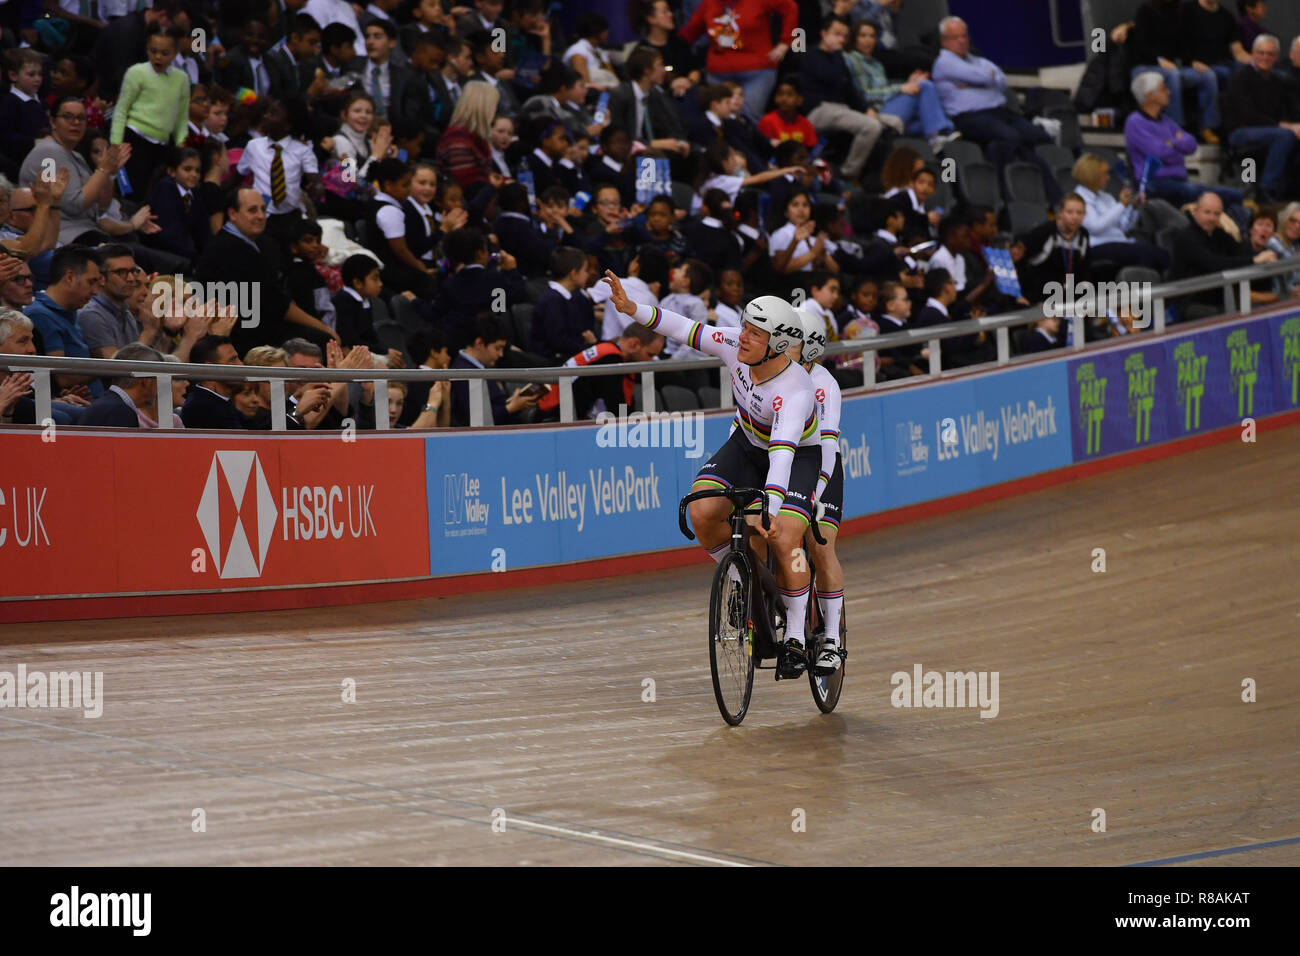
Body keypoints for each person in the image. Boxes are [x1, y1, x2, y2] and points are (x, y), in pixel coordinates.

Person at [602, 270, 822, 674]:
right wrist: (635, 309)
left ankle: (794, 634)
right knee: (701, 512)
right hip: (746, 444)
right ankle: (741, 577)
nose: (743, 337)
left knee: (784, 537)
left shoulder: (796, 389)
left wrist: (771, 505)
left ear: (775, 346)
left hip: (795, 458)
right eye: (745, 328)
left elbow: (782, 455)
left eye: (755, 334)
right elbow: (686, 328)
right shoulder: (733, 347)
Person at [193, 187, 338, 354]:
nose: (261, 216)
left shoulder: (257, 244)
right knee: (324, 341)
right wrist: (325, 330)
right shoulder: (228, 248)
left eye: (263, 209)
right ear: (233, 214)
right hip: (243, 336)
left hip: (258, 326)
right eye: (252, 210)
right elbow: (278, 305)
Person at [931, 16, 1060, 203]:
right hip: (970, 118)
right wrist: (985, 80)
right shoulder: (944, 63)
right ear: (944, 41)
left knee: (1038, 136)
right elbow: (986, 78)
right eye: (955, 37)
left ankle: (1053, 198)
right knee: (1011, 137)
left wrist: (979, 81)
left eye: (964, 36)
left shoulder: (978, 61)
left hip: (1000, 112)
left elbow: (1000, 80)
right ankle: (1005, 194)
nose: (961, 41)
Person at [792, 307, 845, 674]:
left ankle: (831, 639)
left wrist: (819, 492)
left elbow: (826, 446)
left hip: (821, 466)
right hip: (781, 461)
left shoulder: (824, 385)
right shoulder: (772, 372)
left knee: (819, 543)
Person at [1124, 71, 1246, 221]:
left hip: (1179, 180)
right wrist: (1176, 144)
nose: (1169, 92)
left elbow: (1191, 144)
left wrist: (1172, 143)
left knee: (1235, 196)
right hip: (1155, 184)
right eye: (1163, 89)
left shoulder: (1166, 120)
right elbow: (1158, 153)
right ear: (1150, 95)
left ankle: (1234, 236)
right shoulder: (1135, 122)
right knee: (1225, 195)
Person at [846, 18, 959, 155]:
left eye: (872, 36)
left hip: (889, 105)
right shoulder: (852, 59)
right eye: (863, 36)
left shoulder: (876, 64)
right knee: (924, 86)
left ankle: (939, 138)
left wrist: (907, 83)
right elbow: (865, 94)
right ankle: (939, 135)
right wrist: (902, 88)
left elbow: (884, 88)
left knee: (924, 113)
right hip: (875, 111)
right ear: (854, 38)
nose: (868, 40)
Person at [680, 0, 799, 123]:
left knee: (748, 117)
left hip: (757, 72)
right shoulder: (709, 3)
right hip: (719, 73)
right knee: (719, 119)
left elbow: (790, 7)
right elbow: (689, 33)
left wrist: (786, 42)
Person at [110, 24, 192, 199]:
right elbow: (121, 109)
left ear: (175, 52)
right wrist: (116, 143)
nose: (158, 57)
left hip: (163, 144)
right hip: (135, 139)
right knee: (133, 193)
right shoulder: (136, 73)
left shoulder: (182, 79)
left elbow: (181, 117)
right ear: (147, 49)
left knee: (158, 193)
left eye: (164, 53)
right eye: (153, 51)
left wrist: (181, 147)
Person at [801, 14, 884, 184]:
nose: (841, 39)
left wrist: (866, 109)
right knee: (871, 126)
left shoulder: (838, 58)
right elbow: (832, 77)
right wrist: (838, 55)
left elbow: (850, 91)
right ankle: (849, 174)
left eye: (844, 36)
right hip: (820, 110)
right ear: (824, 34)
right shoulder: (811, 56)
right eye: (837, 34)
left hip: (841, 109)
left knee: (893, 122)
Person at [1169, 191, 1275, 320]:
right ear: (1195, 212)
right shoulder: (1186, 237)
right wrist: (1255, 260)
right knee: (1235, 315)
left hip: (1218, 298)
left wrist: (1264, 255)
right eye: (1207, 212)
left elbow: (1240, 250)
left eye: (1216, 214)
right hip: (1189, 301)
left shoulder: (1218, 233)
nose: (1212, 218)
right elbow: (1213, 263)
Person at [1127, 0, 1221, 141]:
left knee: (1207, 75)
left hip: (1170, 67)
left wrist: (1192, 61)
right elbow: (1141, 45)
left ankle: (1207, 126)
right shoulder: (1145, 10)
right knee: (1173, 75)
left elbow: (1184, 45)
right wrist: (1159, 60)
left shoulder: (1180, 12)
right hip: (1144, 66)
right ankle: (1175, 128)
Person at [1223, 34, 1300, 203]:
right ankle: (1267, 189)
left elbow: (1283, 112)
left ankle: (1289, 191)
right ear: (1253, 53)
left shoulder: (1278, 81)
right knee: (1285, 135)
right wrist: (1285, 126)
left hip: (1268, 132)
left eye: (1270, 54)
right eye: (1261, 53)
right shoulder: (1240, 77)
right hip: (1241, 131)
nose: (1265, 57)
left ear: (1277, 58)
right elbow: (1249, 116)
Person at [536, 322, 666, 420]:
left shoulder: (608, 351)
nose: (650, 362)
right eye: (649, 354)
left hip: (560, 414)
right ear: (634, 344)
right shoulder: (611, 359)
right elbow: (616, 407)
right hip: (553, 418)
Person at [25, 246, 105, 397]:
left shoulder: (70, 313)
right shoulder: (40, 315)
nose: (95, 291)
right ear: (70, 277)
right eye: (91, 282)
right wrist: (112, 364)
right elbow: (62, 376)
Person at [1070, 154, 1171, 273]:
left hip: (1118, 242)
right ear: (1093, 176)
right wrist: (1121, 205)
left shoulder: (1106, 197)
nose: (1108, 178)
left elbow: (1125, 226)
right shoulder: (1078, 199)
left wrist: (1133, 208)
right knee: (1146, 255)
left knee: (1161, 254)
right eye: (1105, 174)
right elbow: (1095, 227)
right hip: (1097, 246)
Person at [449, 314, 541, 426]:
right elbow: (476, 419)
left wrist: (514, 403)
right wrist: (511, 407)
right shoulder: (462, 373)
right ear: (479, 343)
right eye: (497, 348)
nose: (501, 354)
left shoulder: (484, 367)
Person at [435, 82, 502, 195]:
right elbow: (469, 186)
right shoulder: (457, 140)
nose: (495, 112)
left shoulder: (475, 137)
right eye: (494, 106)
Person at [531, 246, 596, 360]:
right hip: (554, 364)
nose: (588, 274)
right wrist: (588, 348)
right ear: (573, 273)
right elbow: (558, 341)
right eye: (585, 270)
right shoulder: (552, 300)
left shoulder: (571, 298)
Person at [79, 343, 166, 427]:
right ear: (146, 381)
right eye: (158, 380)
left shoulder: (107, 404)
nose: (159, 390)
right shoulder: (120, 411)